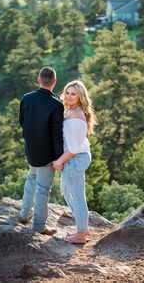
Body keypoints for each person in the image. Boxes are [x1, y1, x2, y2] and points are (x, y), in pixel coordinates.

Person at [19, 66, 64, 235]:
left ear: (39, 80)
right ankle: (39, 226)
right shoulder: (56, 104)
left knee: (31, 178)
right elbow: (56, 134)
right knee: (43, 189)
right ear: (54, 82)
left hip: (31, 150)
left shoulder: (26, 98)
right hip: (47, 154)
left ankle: (24, 214)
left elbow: (22, 122)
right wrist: (59, 159)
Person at [53, 80, 96, 244]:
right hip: (73, 156)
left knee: (76, 196)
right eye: (67, 93)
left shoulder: (77, 115)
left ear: (80, 96)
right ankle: (82, 227)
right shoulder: (69, 111)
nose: (69, 96)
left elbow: (74, 147)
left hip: (76, 158)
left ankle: (81, 234)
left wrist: (59, 162)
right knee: (66, 191)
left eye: (74, 94)